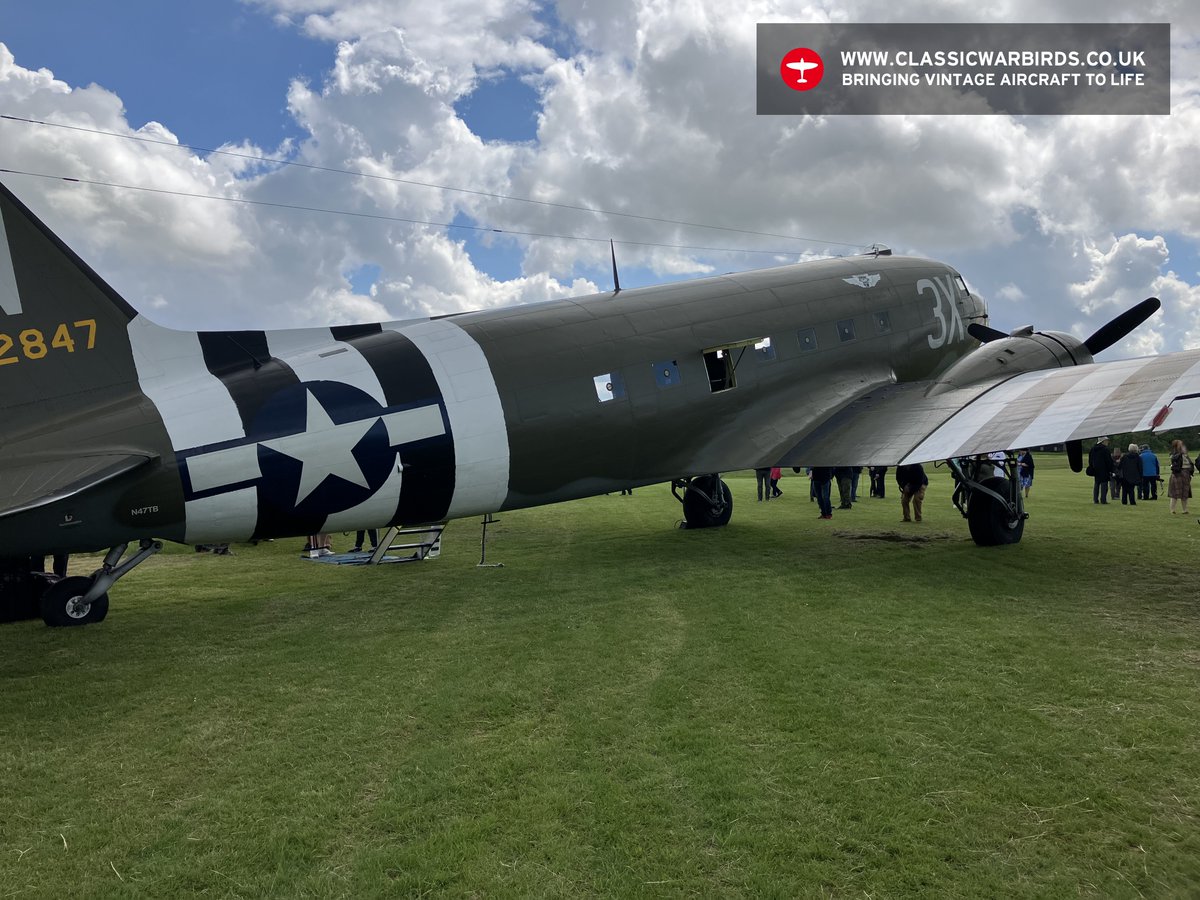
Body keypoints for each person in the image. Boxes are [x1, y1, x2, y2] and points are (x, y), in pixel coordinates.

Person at [1168, 439, 1194, 515]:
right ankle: (1172, 510)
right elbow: (1174, 459)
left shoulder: (1185, 454)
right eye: (1180, 444)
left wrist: (1191, 471)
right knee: (1175, 493)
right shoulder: (1174, 454)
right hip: (1177, 474)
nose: (1182, 446)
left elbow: (1190, 463)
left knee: (1185, 493)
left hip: (1186, 474)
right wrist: (1181, 452)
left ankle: (1185, 509)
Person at [1088, 437, 1114, 504]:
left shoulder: (1093, 449)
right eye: (1106, 441)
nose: (1108, 442)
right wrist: (1111, 469)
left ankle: (1095, 499)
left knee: (1097, 484)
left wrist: (1092, 467)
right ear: (1103, 441)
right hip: (1104, 469)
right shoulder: (1105, 449)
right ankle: (1103, 500)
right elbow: (1108, 461)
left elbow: (1090, 460)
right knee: (1104, 484)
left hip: (1095, 469)